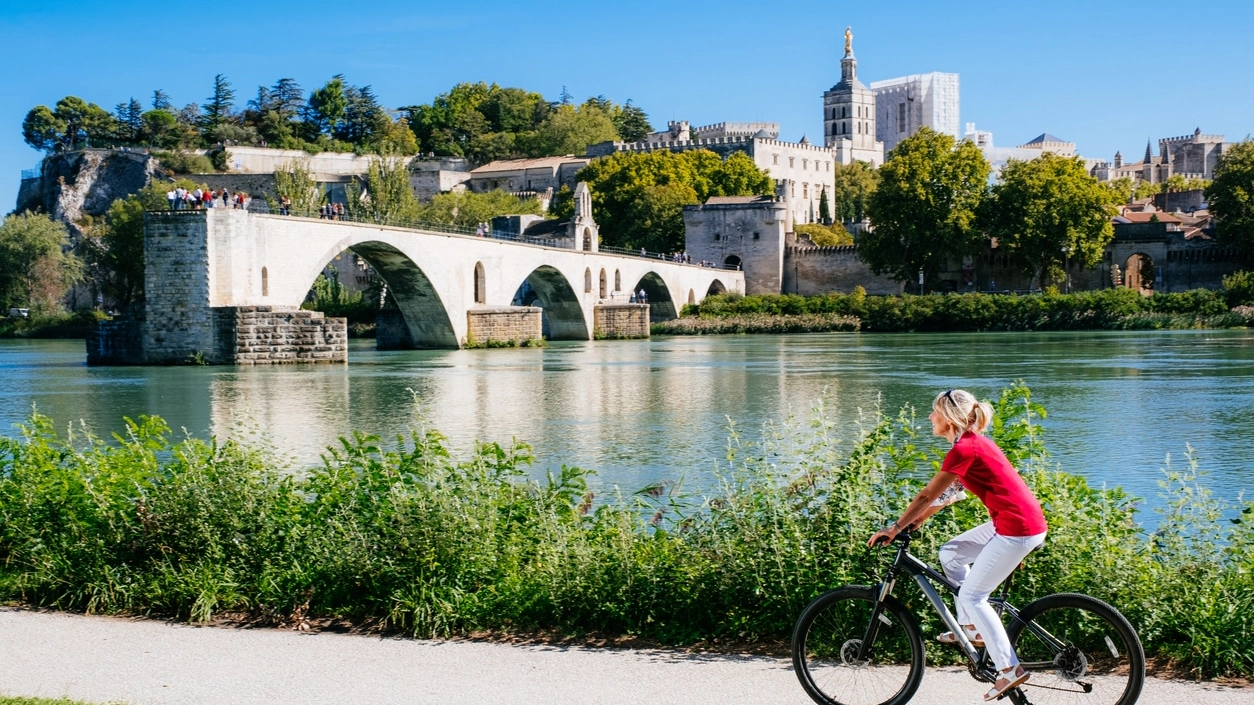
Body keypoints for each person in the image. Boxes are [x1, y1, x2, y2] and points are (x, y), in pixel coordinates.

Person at [867, 389, 1047, 702]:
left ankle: (1009, 670)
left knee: (973, 595)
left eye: (933, 412)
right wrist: (918, 520)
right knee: (950, 553)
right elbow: (952, 492)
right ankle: (972, 629)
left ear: (948, 418)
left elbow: (927, 494)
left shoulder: (964, 449)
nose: (929, 417)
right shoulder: (970, 443)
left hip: (1017, 528)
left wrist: (896, 528)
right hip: (1012, 522)